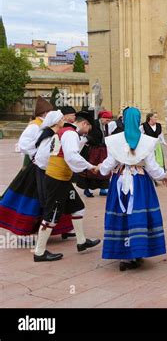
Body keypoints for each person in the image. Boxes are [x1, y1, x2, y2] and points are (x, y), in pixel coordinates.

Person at [99, 107, 167, 271]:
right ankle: (137, 251)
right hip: (140, 182)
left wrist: (100, 169)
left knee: (122, 215)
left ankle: (125, 256)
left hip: (119, 180)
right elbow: (152, 167)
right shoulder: (147, 141)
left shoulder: (114, 140)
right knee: (139, 215)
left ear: (123, 120)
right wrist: (163, 176)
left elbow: (109, 163)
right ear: (138, 121)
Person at [33, 111, 101, 262]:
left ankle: (81, 242)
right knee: (52, 215)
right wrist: (91, 167)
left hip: (59, 178)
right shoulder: (70, 134)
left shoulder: (63, 132)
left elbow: (52, 155)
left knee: (78, 207)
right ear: (85, 124)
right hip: (58, 180)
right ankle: (39, 252)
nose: (89, 131)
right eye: (89, 127)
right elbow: (72, 156)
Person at [0, 111, 74, 239]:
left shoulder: (51, 132)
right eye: (61, 118)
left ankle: (62, 229)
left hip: (46, 170)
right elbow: (32, 149)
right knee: (39, 200)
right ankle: (36, 234)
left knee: (61, 199)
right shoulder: (41, 130)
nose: (64, 120)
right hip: (40, 171)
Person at [77, 110, 113, 197]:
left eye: (109, 120)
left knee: (103, 169)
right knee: (91, 170)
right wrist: (92, 141)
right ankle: (87, 189)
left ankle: (103, 189)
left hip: (102, 150)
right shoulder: (94, 124)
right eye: (107, 120)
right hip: (93, 150)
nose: (108, 122)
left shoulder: (106, 126)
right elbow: (90, 135)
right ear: (102, 118)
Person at [18, 96, 53, 170]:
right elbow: (23, 144)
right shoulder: (34, 126)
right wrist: (37, 153)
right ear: (45, 113)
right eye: (50, 112)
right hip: (34, 164)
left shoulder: (46, 124)